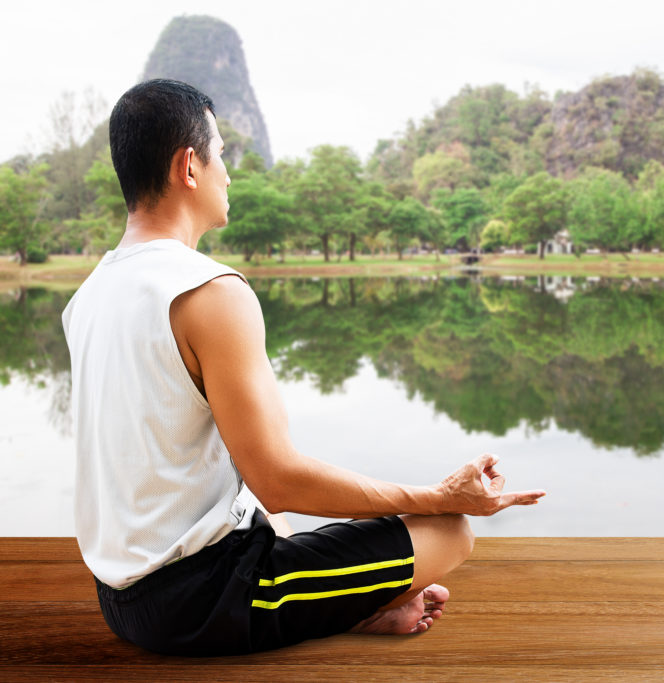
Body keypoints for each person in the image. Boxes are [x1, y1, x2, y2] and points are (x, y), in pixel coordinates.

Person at [61, 79, 545, 656]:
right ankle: (351, 607)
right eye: (221, 155)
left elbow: (253, 485)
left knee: (267, 516)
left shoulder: (90, 294)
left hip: (120, 599)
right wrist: (439, 497)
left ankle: (349, 607)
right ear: (188, 167)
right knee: (447, 534)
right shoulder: (211, 290)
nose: (228, 173)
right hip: (200, 599)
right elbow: (279, 478)